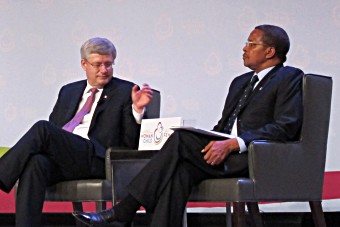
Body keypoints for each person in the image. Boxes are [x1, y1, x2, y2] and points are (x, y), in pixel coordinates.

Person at [73, 24, 304, 227]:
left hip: (254, 156)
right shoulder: (241, 82)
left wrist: (234, 144)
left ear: (270, 51)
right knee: (178, 172)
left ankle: (125, 209)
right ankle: (128, 213)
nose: (244, 48)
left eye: (251, 44)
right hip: (224, 152)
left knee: (182, 138)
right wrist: (213, 139)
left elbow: (286, 126)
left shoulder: (289, 78)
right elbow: (225, 125)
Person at [0, 37, 153, 226]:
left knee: (42, 129)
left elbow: (131, 144)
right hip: (67, 157)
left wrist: (137, 111)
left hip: (97, 159)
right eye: (97, 64)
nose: (104, 70)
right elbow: (56, 131)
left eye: (109, 64)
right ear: (84, 64)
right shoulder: (68, 91)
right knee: (35, 163)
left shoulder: (125, 91)